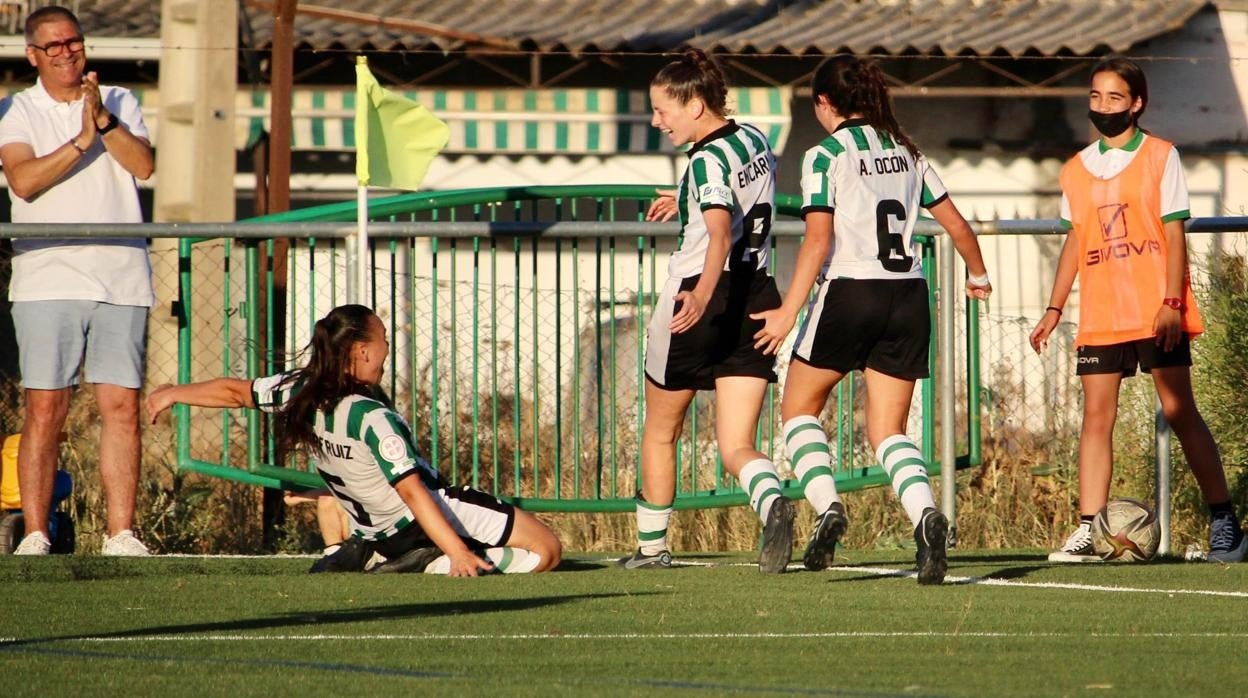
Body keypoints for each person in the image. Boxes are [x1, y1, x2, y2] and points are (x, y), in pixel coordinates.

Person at [752, 55, 992, 584]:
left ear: (824, 103)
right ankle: (927, 516)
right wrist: (977, 275)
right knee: (888, 431)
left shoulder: (825, 156)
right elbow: (957, 225)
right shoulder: (909, 152)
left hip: (850, 290)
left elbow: (818, 240)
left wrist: (788, 313)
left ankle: (828, 506)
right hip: (908, 296)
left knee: (797, 414)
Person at [146, 304, 562, 575]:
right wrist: (455, 551)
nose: (386, 348)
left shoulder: (299, 391)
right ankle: (427, 562)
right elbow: (416, 494)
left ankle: (384, 554)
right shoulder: (371, 417)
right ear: (362, 351)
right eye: (383, 339)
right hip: (420, 521)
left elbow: (236, 393)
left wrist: (174, 393)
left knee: (451, 535)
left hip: (375, 528)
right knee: (547, 551)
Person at [1030, 56, 1245, 564]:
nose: (1103, 106)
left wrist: (1172, 302)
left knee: (1178, 409)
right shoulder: (1076, 168)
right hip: (1103, 314)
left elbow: (1173, 233)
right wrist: (1054, 308)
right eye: (1095, 96)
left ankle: (1225, 524)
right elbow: (1076, 241)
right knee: (1095, 417)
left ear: (1137, 103)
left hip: (1154, 309)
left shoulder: (1160, 155)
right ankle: (1088, 528)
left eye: (1114, 98)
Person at [618, 49, 794, 573]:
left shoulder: (704, 160)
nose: (655, 121)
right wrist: (684, 195)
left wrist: (698, 295)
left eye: (662, 110)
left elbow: (719, 231)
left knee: (660, 430)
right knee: (737, 442)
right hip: (757, 295)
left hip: (700, 296)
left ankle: (651, 550)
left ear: (695, 105)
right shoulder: (754, 137)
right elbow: (732, 191)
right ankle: (772, 502)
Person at [0, 6, 156, 556]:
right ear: (33, 56)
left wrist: (104, 124)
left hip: (121, 278)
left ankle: (121, 534)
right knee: (46, 409)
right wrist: (80, 140)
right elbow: (23, 180)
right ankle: (37, 532)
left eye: (74, 42)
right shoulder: (15, 110)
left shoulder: (120, 100)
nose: (67, 52)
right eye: (54, 45)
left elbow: (143, 166)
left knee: (121, 410)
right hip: (47, 277)